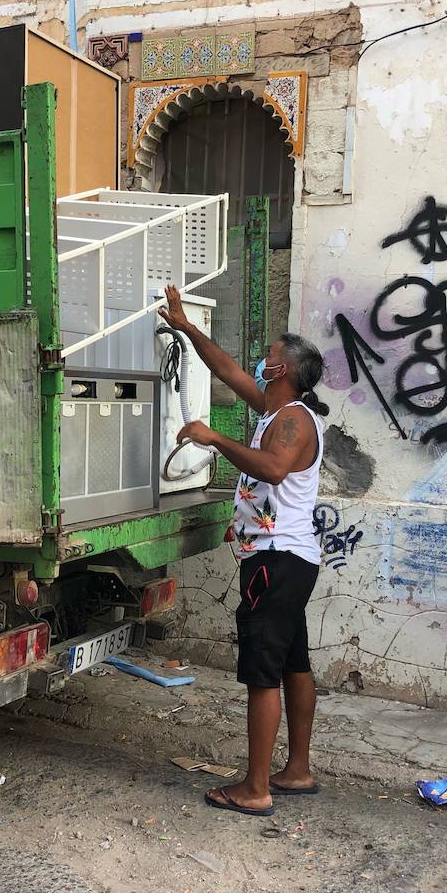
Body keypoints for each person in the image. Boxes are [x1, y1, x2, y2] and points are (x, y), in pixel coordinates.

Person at [157, 284, 328, 818]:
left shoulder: (294, 420)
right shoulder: (273, 412)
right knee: (294, 663)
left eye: (269, 358)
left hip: (276, 560)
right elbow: (229, 370)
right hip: (286, 559)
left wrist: (214, 439)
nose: (260, 362)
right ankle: (296, 769)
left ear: (282, 372)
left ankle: (256, 787)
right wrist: (186, 327)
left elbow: (273, 469)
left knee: (262, 673)